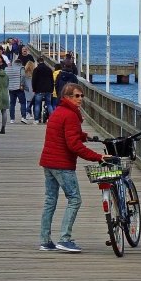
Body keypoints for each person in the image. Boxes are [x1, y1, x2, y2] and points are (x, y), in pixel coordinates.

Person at [38, 82, 107, 253]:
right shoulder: (70, 115)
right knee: (75, 199)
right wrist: (98, 157)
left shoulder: (58, 112)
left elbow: (67, 133)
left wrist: (85, 136)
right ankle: (65, 238)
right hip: (62, 164)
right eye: (77, 96)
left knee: (50, 201)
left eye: (82, 96)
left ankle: (45, 241)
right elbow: (73, 145)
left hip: (49, 162)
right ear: (67, 97)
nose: (80, 99)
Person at [30, 56, 54, 123]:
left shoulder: (36, 69)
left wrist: (34, 89)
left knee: (37, 104)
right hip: (48, 89)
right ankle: (51, 119)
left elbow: (34, 80)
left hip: (39, 89)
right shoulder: (49, 69)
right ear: (43, 61)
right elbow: (52, 80)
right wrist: (51, 89)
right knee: (49, 104)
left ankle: (37, 119)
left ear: (37, 62)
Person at [5, 55, 26, 123]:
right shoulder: (21, 68)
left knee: (12, 104)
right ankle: (23, 117)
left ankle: (12, 119)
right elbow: (23, 76)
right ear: (20, 63)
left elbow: (6, 78)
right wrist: (22, 84)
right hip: (19, 88)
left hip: (11, 88)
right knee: (22, 103)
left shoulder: (8, 68)